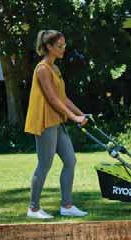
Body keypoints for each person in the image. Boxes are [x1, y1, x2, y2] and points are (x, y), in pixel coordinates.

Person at [24, 29, 88, 219]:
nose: (63, 49)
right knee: (45, 164)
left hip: (56, 120)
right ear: (49, 47)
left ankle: (66, 206)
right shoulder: (42, 69)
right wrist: (73, 118)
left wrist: (80, 113)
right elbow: (52, 99)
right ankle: (33, 208)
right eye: (59, 46)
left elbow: (63, 98)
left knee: (70, 160)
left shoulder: (55, 68)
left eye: (64, 45)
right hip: (45, 121)